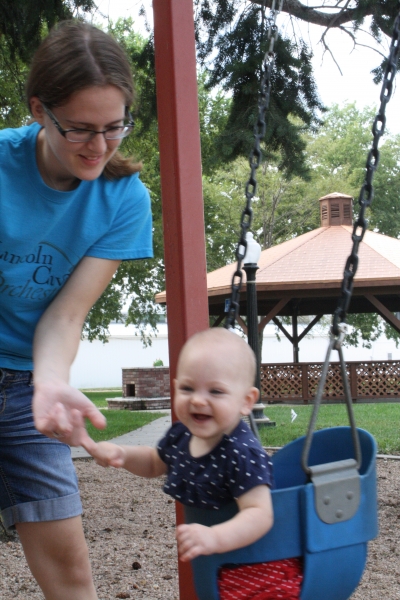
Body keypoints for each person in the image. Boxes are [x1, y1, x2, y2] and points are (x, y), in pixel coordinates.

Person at [0, 20, 153, 600]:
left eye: (114, 127)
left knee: (71, 576)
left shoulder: (124, 199)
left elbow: (66, 315)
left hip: (29, 385)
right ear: (40, 110)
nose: (98, 146)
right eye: (81, 129)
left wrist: (50, 383)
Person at [85, 328, 303, 600]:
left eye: (216, 391)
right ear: (175, 388)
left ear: (246, 401)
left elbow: (260, 514)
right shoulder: (181, 436)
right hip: (219, 569)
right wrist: (123, 454)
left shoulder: (243, 453)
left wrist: (215, 537)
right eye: (188, 388)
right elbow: (154, 463)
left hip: (258, 571)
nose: (198, 399)